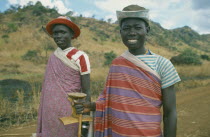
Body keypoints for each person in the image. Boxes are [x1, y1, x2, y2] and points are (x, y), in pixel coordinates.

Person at [75, 5, 181, 137]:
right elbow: (110, 100)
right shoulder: (117, 64)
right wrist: (91, 106)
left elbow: (170, 113)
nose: (132, 32)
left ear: (147, 30)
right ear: (120, 32)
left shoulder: (163, 65)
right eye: (126, 28)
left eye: (137, 27)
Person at [36, 16, 91, 137]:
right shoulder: (53, 56)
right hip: (49, 110)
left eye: (62, 32)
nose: (58, 36)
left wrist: (85, 120)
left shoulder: (80, 56)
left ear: (72, 34)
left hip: (70, 110)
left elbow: (86, 90)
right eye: (55, 33)